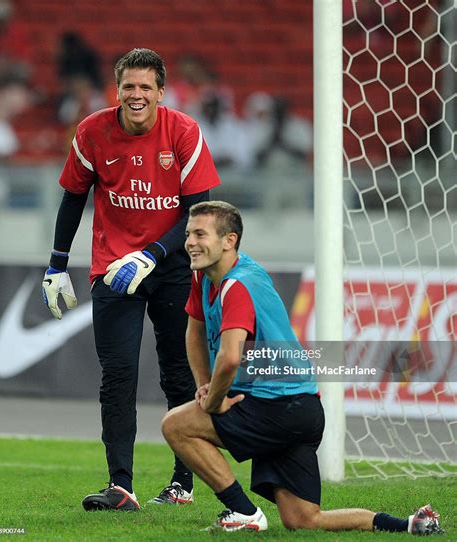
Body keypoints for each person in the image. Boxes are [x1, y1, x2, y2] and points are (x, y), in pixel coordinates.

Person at [161, 201, 443, 534]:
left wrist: (213, 401)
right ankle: (410, 525)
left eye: (200, 234)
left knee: (176, 426)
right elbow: (194, 329)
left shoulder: (237, 285)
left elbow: (231, 356)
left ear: (229, 240)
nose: (190, 242)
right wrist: (204, 384)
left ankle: (244, 513)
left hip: (277, 406)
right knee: (304, 520)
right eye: (189, 233)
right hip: (302, 408)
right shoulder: (205, 275)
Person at [41, 48, 221, 511]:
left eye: (145, 87)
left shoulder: (183, 132)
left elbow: (197, 213)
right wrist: (57, 264)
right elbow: (72, 199)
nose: (136, 95)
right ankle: (121, 485)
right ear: (116, 91)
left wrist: (155, 253)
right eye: (128, 87)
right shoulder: (92, 132)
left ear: (161, 92)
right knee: (117, 376)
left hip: (175, 266)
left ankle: (183, 483)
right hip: (114, 270)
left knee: (178, 373)